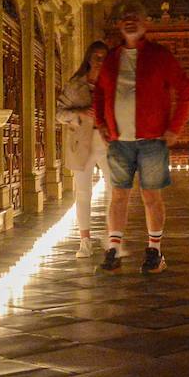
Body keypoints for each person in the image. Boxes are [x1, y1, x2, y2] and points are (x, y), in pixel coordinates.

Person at [93, 2, 189, 274]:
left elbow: (186, 89)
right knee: (118, 197)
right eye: (125, 18)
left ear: (145, 23)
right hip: (119, 141)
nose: (129, 22)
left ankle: (155, 251)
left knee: (151, 197)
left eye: (135, 17)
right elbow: (99, 93)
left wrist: (174, 127)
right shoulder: (112, 58)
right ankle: (113, 249)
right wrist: (101, 123)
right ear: (119, 24)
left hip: (152, 141)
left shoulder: (160, 55)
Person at [56, 40, 110, 257]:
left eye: (104, 57)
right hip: (81, 143)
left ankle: (111, 236)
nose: (100, 61)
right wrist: (79, 113)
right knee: (83, 192)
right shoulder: (75, 85)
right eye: (97, 57)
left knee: (115, 191)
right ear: (89, 58)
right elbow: (59, 113)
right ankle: (84, 241)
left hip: (107, 141)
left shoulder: (112, 85)